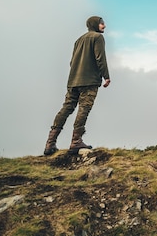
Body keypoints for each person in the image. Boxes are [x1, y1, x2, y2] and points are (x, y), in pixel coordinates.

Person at [44, 16, 111, 155]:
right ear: (95, 25)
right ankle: (76, 141)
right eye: (102, 23)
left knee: (66, 108)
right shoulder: (97, 37)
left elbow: (71, 62)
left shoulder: (78, 40)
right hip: (89, 81)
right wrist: (106, 76)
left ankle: (50, 143)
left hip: (73, 80)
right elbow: (100, 58)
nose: (104, 26)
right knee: (84, 108)